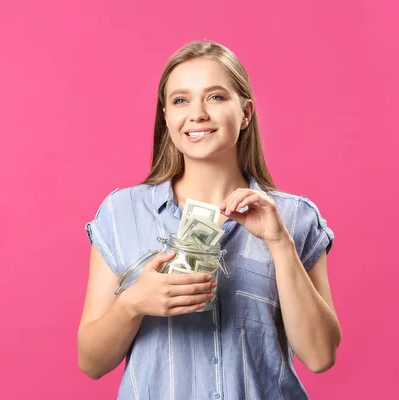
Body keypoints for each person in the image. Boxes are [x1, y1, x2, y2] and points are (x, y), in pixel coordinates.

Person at [78, 39, 341, 400]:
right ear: (167, 116)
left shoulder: (294, 217)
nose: (197, 113)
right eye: (181, 100)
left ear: (245, 113)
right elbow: (91, 362)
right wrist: (133, 303)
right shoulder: (121, 213)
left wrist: (280, 245)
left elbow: (320, 356)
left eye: (215, 97)